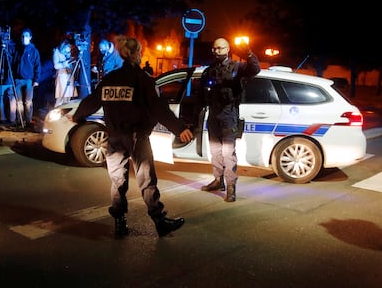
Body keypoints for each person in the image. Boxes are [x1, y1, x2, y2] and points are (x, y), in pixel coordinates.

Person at [69, 35, 194, 238]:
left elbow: (92, 100)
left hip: (115, 138)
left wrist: (77, 116)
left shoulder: (109, 79)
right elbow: (158, 108)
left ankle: (119, 224)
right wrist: (179, 128)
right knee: (146, 180)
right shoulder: (143, 80)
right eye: (140, 52)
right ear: (136, 54)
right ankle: (160, 221)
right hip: (137, 138)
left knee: (118, 181)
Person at [199, 37, 260, 202]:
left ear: (228, 49)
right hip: (213, 113)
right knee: (215, 151)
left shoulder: (237, 67)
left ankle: (231, 187)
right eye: (215, 48)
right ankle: (218, 181)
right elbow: (201, 93)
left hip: (229, 113)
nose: (217, 51)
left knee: (228, 153)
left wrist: (248, 53)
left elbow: (255, 69)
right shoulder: (209, 70)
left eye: (220, 48)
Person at [7, 27, 41, 129]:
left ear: (30, 37)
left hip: (28, 80)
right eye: (22, 36)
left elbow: (37, 65)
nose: (24, 38)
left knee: (28, 102)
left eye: (26, 36)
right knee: (19, 102)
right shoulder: (16, 49)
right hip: (17, 79)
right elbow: (12, 62)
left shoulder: (34, 51)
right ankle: (20, 120)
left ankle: (28, 121)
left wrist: (36, 80)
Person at [53, 39, 77, 106]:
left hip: (69, 75)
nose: (69, 48)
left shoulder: (68, 52)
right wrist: (64, 64)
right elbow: (56, 65)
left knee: (68, 97)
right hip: (62, 76)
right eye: (68, 47)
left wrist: (71, 60)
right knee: (61, 96)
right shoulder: (57, 52)